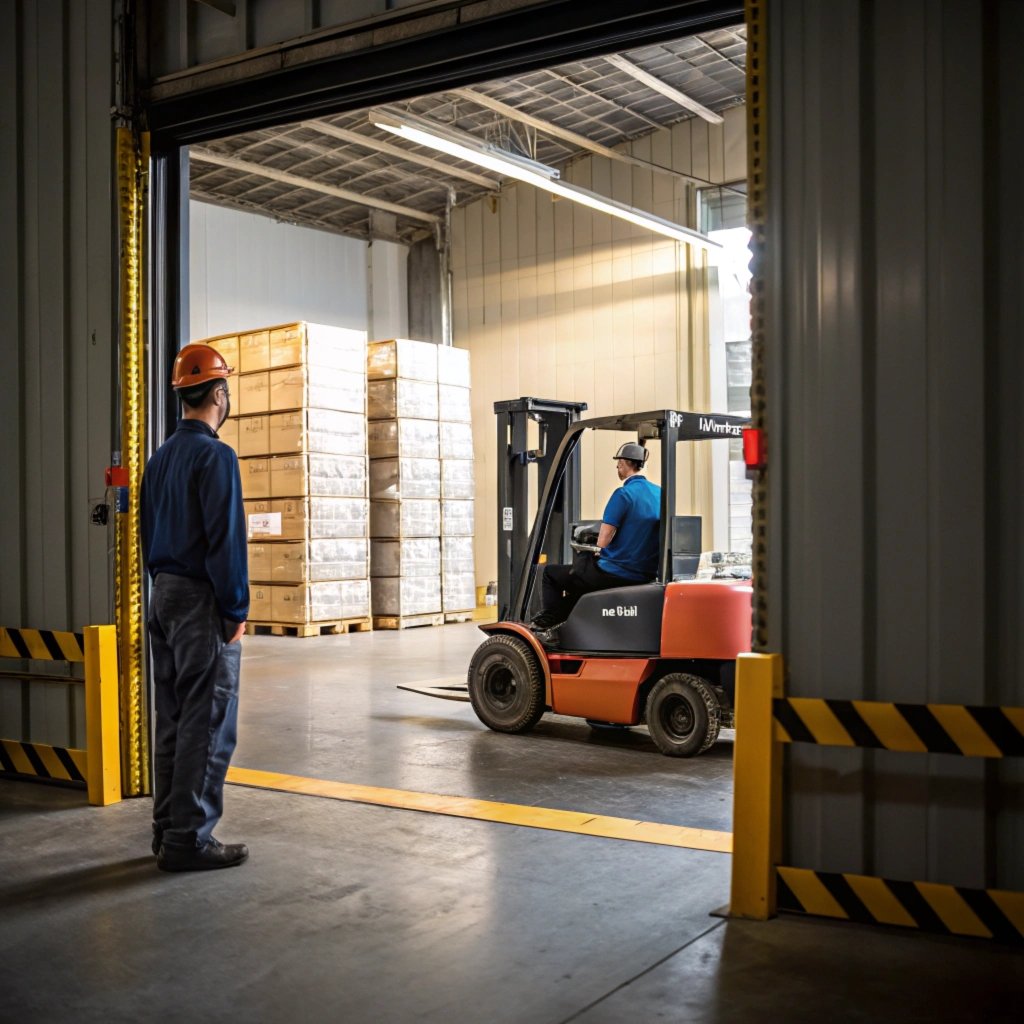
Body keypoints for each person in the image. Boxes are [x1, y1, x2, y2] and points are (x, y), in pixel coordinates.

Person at [140, 343, 249, 872]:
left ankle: (166, 830)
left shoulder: (159, 460)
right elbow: (225, 540)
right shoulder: (216, 456)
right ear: (219, 394)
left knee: (174, 720)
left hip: (162, 594)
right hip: (202, 601)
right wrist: (234, 609)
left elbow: (144, 537)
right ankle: (190, 839)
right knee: (207, 722)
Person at [532, 442, 662, 634]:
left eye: (618, 463)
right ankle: (568, 626)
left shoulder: (623, 494)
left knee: (550, 573)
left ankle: (547, 624)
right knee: (578, 588)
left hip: (616, 571)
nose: (617, 467)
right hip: (645, 572)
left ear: (625, 463)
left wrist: (585, 543)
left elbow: (603, 540)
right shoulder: (659, 493)